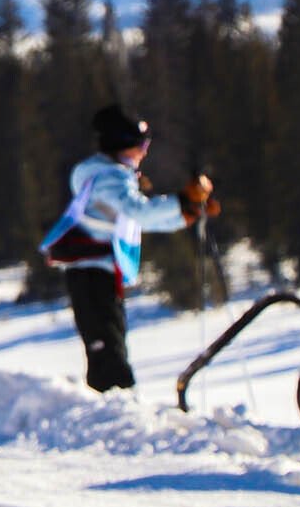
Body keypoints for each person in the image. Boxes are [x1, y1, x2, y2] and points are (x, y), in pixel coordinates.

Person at [42, 106, 218, 392]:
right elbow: (139, 213)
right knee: (107, 352)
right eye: (142, 145)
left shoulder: (107, 175)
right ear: (121, 145)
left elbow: (137, 218)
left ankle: (115, 398)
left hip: (98, 273)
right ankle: (116, 401)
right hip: (92, 275)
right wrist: (182, 203)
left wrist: (184, 211)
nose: (145, 152)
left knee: (109, 343)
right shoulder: (108, 179)